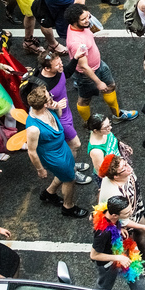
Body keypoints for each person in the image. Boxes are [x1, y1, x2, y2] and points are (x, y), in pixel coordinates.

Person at [20, 50, 91, 183]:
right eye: (57, 64)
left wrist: (75, 57)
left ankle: (71, 165)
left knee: (71, 145)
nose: (61, 66)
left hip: (66, 112)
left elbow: (66, 73)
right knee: (75, 144)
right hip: (58, 118)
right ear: (46, 68)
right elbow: (37, 106)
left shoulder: (57, 72)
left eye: (60, 62)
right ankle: (71, 171)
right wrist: (55, 105)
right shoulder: (39, 87)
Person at [65, 4, 137, 122]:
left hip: (99, 64)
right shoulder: (76, 43)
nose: (87, 20)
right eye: (83, 19)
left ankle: (117, 116)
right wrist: (98, 82)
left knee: (110, 86)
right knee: (84, 100)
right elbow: (84, 66)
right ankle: (90, 125)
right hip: (86, 75)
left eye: (88, 16)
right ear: (73, 22)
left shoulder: (78, 24)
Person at [24, 87, 88, 218]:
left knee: (66, 171)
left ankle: (49, 193)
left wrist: (57, 107)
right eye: (49, 97)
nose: (52, 97)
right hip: (53, 156)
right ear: (44, 104)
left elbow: (58, 117)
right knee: (70, 179)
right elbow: (31, 152)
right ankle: (68, 207)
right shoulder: (33, 129)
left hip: (62, 147)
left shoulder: (47, 108)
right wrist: (40, 169)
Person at [97, 154, 145, 265]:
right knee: (128, 243)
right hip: (118, 220)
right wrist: (141, 227)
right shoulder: (115, 193)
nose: (129, 167)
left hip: (132, 210)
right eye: (124, 168)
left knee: (142, 227)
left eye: (125, 163)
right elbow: (123, 220)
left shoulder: (125, 174)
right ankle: (133, 266)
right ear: (116, 176)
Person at [90, 195, 145, 290]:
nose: (131, 212)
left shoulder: (107, 211)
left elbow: (93, 215)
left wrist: (120, 228)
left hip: (121, 252)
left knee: (136, 276)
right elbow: (94, 255)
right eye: (127, 212)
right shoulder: (103, 233)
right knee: (104, 288)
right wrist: (118, 258)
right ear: (115, 215)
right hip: (109, 264)